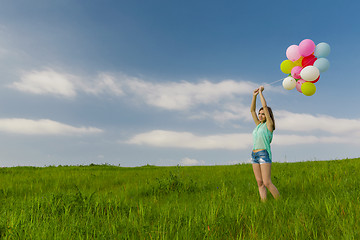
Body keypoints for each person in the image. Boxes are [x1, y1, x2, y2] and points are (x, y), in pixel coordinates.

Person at [250, 86, 280, 201]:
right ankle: (264, 205)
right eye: (260, 113)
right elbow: (252, 110)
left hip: (264, 154)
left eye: (263, 114)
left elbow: (266, 110)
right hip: (254, 155)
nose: (260, 115)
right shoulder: (258, 125)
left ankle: (280, 203)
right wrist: (254, 96)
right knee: (260, 182)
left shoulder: (269, 125)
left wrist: (261, 93)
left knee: (267, 182)